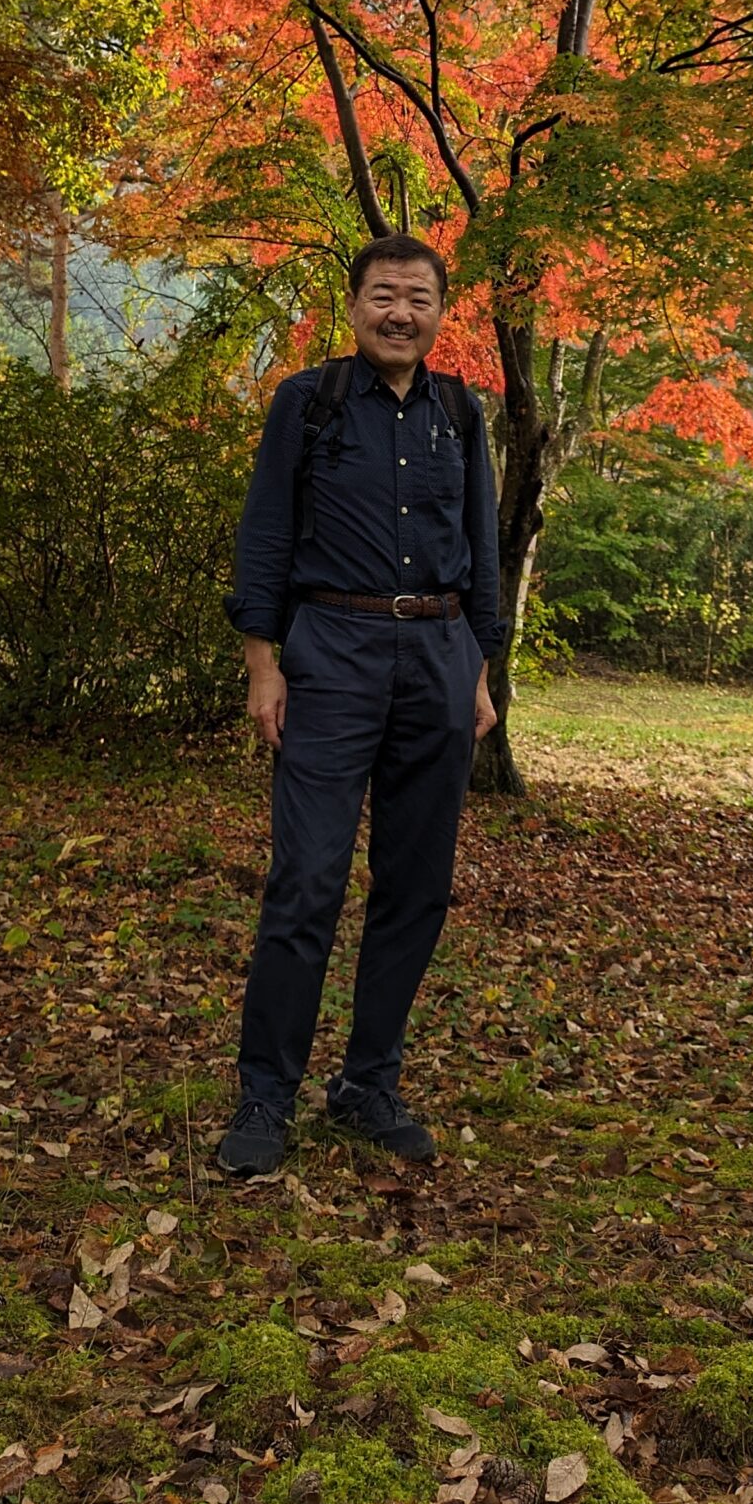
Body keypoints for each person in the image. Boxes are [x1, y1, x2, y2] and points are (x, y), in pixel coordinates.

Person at [217, 233, 503, 1176]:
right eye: (384, 294)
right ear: (353, 306)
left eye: (419, 299)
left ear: (437, 314)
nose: (400, 313)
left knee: (417, 885)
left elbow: (484, 549)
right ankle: (267, 1096)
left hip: (437, 653)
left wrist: (482, 668)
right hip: (329, 653)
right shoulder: (310, 402)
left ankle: (368, 1083)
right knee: (306, 881)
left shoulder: (459, 412)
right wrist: (265, 662)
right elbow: (265, 534)